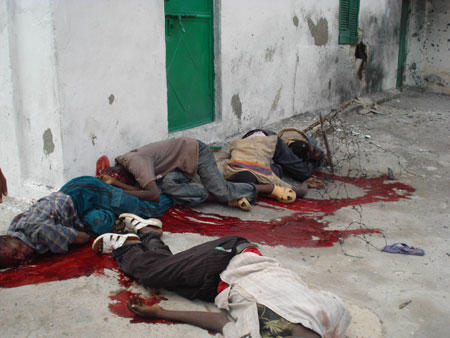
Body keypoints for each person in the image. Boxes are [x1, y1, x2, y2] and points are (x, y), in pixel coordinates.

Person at [92, 215, 351, 337]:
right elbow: (328, 299)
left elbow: (218, 321)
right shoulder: (330, 314)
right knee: (151, 273)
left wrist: (160, 313)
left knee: (166, 273)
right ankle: (128, 244)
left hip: (218, 287)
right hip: (233, 257)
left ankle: (149, 233)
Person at [0, 176, 174, 269]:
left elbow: (82, 238)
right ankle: (117, 213)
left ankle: (173, 190)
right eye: (16, 261)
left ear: (8, 238)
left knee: (150, 209)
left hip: (86, 192)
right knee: (100, 223)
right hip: (75, 199)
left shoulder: (41, 231)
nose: (21, 257)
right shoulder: (15, 229)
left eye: (16, 252)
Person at [99, 137, 296, 211]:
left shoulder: (136, 164)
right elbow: (140, 189)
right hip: (175, 167)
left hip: (195, 152)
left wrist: (118, 192)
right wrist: (115, 185)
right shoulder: (126, 163)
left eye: (116, 180)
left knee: (224, 190)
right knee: (168, 187)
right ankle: (214, 196)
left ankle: (268, 188)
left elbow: (151, 194)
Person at [222, 129, 324, 197]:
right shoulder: (228, 168)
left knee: (304, 173)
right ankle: (287, 159)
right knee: (282, 169)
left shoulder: (265, 174)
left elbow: (300, 191)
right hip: (249, 137)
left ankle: (315, 156)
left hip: (269, 138)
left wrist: (306, 182)